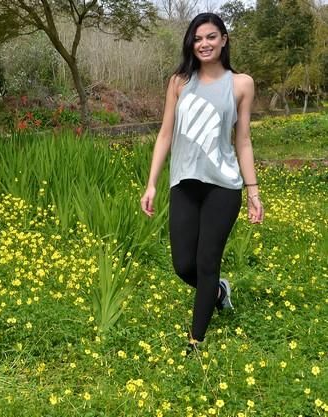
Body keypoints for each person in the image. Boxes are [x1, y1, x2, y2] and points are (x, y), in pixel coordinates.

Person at [140, 12, 264, 353]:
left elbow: (243, 141)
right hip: (184, 183)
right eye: (197, 38)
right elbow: (165, 134)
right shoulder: (180, 81)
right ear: (190, 44)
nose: (204, 44)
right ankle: (219, 292)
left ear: (224, 39)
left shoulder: (241, 84)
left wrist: (253, 192)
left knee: (207, 261)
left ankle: (195, 342)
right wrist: (151, 183)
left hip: (223, 187)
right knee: (183, 265)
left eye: (210, 37)